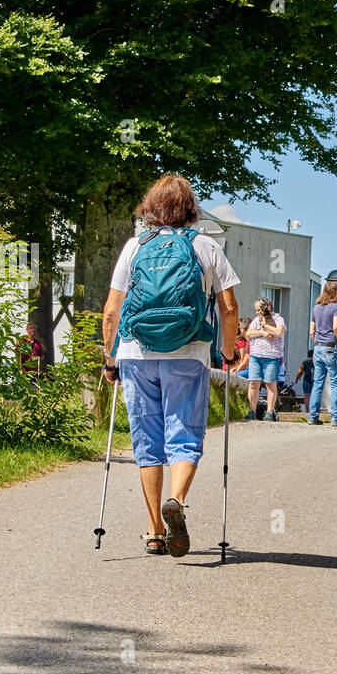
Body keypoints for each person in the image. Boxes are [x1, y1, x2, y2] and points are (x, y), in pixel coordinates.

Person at [102, 174, 240, 557]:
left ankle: (153, 531)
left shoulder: (134, 246)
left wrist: (110, 358)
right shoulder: (206, 246)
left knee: (148, 442)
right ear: (190, 209)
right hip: (188, 351)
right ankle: (176, 501)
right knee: (184, 434)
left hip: (135, 351)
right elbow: (229, 310)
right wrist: (228, 354)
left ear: (150, 207)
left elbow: (112, 311)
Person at [308, 280, 337, 426]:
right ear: (336, 292)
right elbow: (336, 326)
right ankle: (336, 418)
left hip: (318, 347)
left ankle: (313, 416)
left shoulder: (316, 308)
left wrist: (317, 342)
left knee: (317, 384)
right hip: (331, 347)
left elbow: (312, 331)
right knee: (336, 384)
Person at [245, 298, 286, 422]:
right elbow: (248, 334)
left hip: (272, 357)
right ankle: (252, 410)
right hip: (255, 356)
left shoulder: (278, 319)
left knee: (270, 384)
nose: (257, 313)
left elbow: (278, 332)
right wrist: (262, 333)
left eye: (259, 309)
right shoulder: (256, 321)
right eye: (256, 310)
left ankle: (269, 412)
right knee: (253, 383)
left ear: (267, 307)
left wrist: (265, 326)